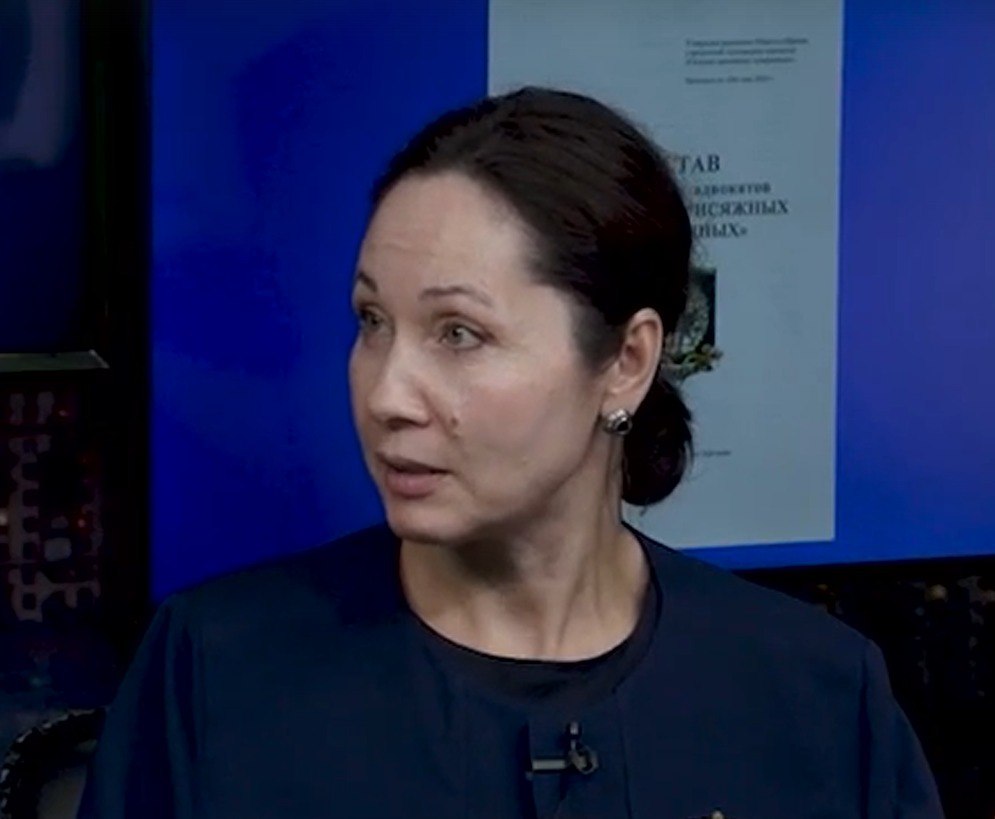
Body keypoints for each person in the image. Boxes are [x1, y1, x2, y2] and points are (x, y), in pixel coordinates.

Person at [76, 87, 944, 818]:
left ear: (626, 361)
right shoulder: (216, 672)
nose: (386, 394)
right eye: (372, 321)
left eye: (458, 332)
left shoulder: (818, 697)